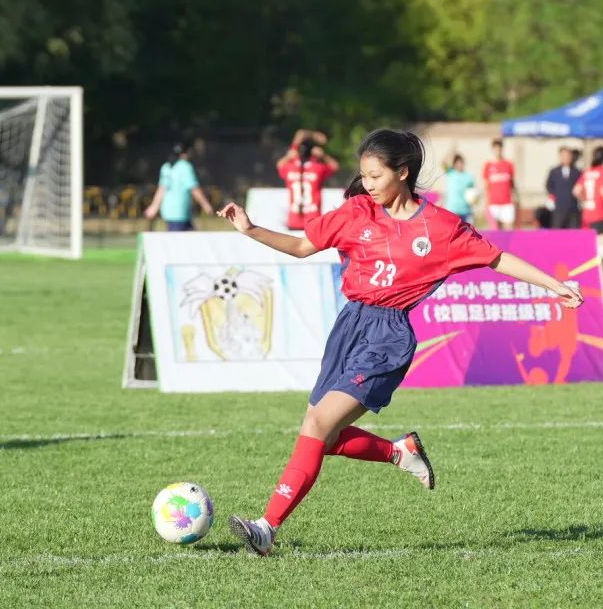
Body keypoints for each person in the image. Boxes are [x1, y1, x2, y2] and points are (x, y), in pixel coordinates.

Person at [217, 128, 583, 556]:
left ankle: (266, 528)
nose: (367, 184)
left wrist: (553, 285)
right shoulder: (356, 212)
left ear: (402, 172)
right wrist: (250, 229)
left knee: (316, 427)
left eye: (375, 175)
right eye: (364, 175)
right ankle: (398, 451)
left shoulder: (441, 228)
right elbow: (301, 246)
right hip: (349, 327)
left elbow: (496, 257)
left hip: (388, 337)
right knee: (325, 438)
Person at [277, 129, 339, 231]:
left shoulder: (289, 167)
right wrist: (323, 155)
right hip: (313, 221)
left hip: (293, 221)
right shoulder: (318, 168)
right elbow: (334, 166)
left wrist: (288, 156)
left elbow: (279, 165)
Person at [144, 142, 214, 231]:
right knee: (180, 242)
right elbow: (194, 189)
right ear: (185, 153)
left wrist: (154, 207)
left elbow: (161, 189)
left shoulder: (166, 167)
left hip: (169, 212)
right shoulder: (185, 167)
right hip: (180, 212)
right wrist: (206, 205)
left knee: (192, 240)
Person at [545, 146, 581, 229]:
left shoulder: (576, 172)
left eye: (568, 156)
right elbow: (548, 186)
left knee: (573, 233)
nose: (566, 158)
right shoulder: (554, 171)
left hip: (573, 208)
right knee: (557, 232)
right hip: (559, 208)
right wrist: (556, 195)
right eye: (563, 155)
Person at [483, 139, 516, 229]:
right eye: (495, 149)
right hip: (493, 203)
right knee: (495, 230)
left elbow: (513, 184)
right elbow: (486, 185)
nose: (498, 151)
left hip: (507, 202)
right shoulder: (488, 165)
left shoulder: (508, 164)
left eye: (499, 149)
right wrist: (486, 202)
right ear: (493, 150)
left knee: (509, 229)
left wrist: (516, 198)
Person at [442, 154, 476, 223]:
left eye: (461, 162)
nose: (459, 165)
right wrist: (452, 150)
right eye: (457, 163)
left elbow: (472, 194)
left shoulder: (469, 176)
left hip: (466, 210)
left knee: (467, 232)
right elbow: (443, 163)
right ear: (454, 164)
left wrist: (472, 210)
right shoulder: (450, 173)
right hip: (452, 210)